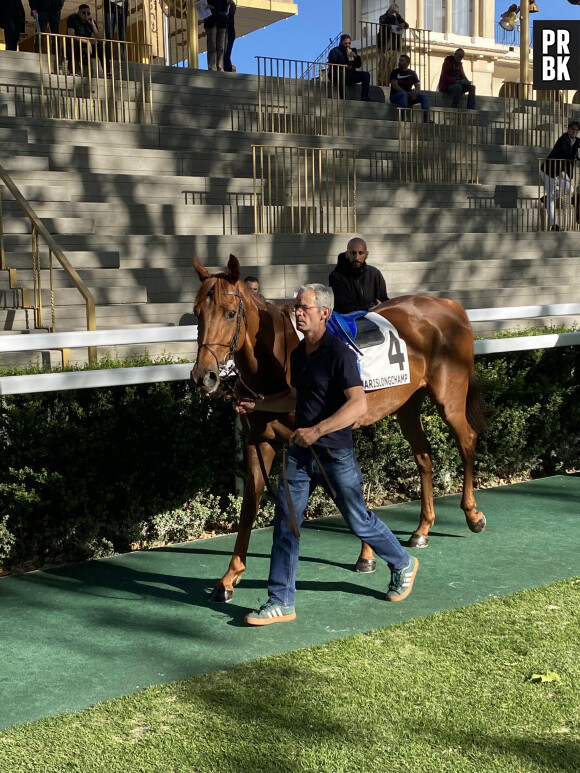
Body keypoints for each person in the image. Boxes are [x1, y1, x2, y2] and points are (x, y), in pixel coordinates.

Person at [237, 283, 418, 625]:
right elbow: (294, 398)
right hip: (300, 456)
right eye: (295, 306)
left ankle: (403, 562)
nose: (297, 312)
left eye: (303, 307)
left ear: (324, 313)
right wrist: (258, 405)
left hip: (336, 456)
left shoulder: (339, 353)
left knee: (359, 521)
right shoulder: (299, 354)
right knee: (286, 525)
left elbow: (358, 404)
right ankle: (280, 601)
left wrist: (318, 430)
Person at [540, 120, 580, 231]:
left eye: (577, 130)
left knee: (570, 189)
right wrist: (575, 156)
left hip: (561, 173)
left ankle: (548, 198)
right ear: (568, 129)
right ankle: (553, 225)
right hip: (549, 171)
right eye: (573, 129)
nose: (575, 131)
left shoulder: (577, 141)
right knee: (551, 198)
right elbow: (565, 153)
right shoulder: (563, 139)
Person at [328, 33, 372, 102]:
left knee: (366, 75)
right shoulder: (335, 51)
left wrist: (356, 56)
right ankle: (343, 97)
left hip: (350, 74)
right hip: (338, 74)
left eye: (349, 43)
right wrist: (343, 66)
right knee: (341, 72)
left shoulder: (353, 50)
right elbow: (332, 63)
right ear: (341, 42)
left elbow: (358, 65)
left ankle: (364, 96)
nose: (347, 45)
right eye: (345, 43)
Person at [389, 53, 429, 121]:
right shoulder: (395, 72)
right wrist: (407, 93)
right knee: (403, 95)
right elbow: (394, 85)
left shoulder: (412, 73)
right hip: (396, 96)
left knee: (424, 96)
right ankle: (403, 117)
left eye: (402, 60)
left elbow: (417, 85)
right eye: (399, 60)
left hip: (408, 96)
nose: (399, 62)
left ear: (408, 63)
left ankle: (426, 117)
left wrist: (415, 92)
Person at [67, 4, 104, 75]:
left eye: (88, 13)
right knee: (72, 42)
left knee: (101, 46)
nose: (86, 15)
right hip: (76, 44)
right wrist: (86, 41)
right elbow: (70, 35)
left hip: (87, 47)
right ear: (79, 12)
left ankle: (107, 73)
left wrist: (93, 24)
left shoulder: (91, 22)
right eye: (83, 12)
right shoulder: (73, 18)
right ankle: (73, 70)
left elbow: (99, 38)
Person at [204, 0, 229, 72]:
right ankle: (213, 67)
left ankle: (219, 67)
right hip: (211, 18)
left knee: (220, 46)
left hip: (220, 19)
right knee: (212, 44)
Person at [223, 0, 235, 73]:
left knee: (225, 52)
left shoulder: (232, 4)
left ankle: (226, 67)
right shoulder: (231, 4)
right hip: (226, 29)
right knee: (225, 52)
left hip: (227, 29)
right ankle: (226, 67)